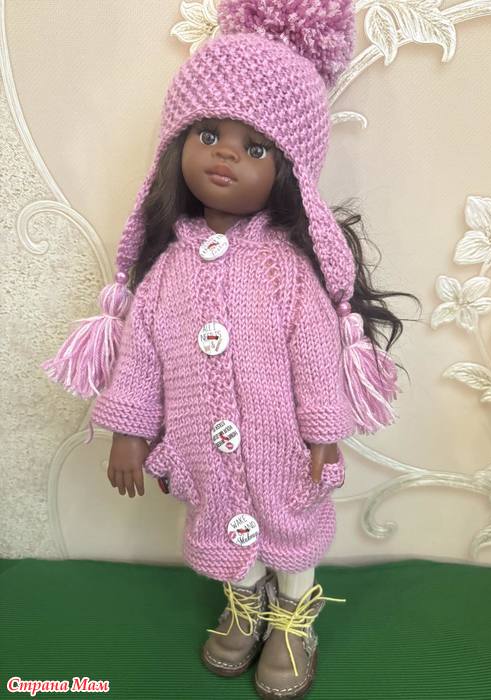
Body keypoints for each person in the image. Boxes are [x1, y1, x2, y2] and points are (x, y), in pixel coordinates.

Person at [41, 1, 419, 697]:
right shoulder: (166, 272)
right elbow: (141, 358)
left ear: (288, 172)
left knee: (291, 530)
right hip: (203, 452)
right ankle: (244, 607)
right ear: (175, 145)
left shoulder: (287, 269)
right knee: (222, 530)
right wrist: (128, 431)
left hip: (282, 446)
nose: (225, 155)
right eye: (209, 134)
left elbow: (315, 353)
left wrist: (323, 432)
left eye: (255, 148)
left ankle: (292, 619)